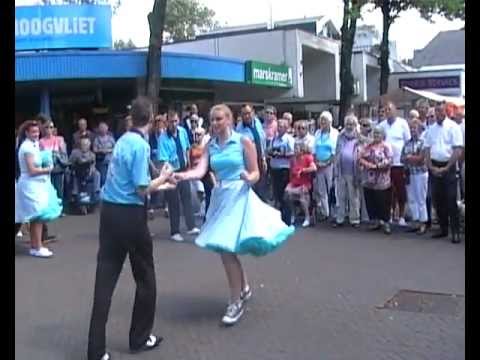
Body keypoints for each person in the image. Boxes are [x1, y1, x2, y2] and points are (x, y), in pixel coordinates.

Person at [172, 104, 295, 326]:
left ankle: (235, 301)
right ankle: (244, 288)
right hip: (221, 196)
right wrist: (183, 176)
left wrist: (249, 178)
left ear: (229, 120)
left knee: (227, 249)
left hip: (239, 195)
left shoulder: (243, 141)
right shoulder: (210, 144)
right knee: (225, 247)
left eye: (219, 118)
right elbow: (201, 170)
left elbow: (256, 171)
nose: (216, 123)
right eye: (212, 119)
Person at [87, 97, 172, 360]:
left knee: (105, 280)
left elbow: (129, 178)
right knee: (145, 277)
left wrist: (158, 182)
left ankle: (96, 351)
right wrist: (164, 178)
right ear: (151, 116)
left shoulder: (122, 140)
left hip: (109, 213)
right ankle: (139, 338)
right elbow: (141, 188)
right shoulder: (141, 145)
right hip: (130, 215)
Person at [15, 120, 62, 258]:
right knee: (37, 216)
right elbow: (32, 170)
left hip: (35, 184)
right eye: (33, 132)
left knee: (38, 217)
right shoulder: (27, 147)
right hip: (30, 184)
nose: (36, 134)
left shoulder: (34, 145)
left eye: (37, 131)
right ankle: (36, 247)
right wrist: (48, 169)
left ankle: (37, 245)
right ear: (27, 133)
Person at [424, 102, 464, 244]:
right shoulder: (431, 129)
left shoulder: (453, 127)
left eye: (440, 111)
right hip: (435, 166)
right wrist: (430, 166)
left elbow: (457, 150)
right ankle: (443, 229)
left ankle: (455, 232)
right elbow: (427, 149)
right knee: (438, 199)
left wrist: (447, 167)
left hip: (449, 167)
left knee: (451, 199)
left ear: (446, 112)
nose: (438, 114)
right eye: (436, 112)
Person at [157, 110, 200, 242]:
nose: (174, 124)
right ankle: (174, 231)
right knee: (173, 201)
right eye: (171, 122)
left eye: (176, 121)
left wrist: (188, 164)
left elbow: (187, 148)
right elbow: (163, 160)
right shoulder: (163, 138)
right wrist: (168, 175)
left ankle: (190, 226)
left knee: (186, 197)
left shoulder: (182, 131)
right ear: (167, 122)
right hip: (171, 172)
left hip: (183, 169)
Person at [378, 101, 411, 226]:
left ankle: (401, 216)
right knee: (387, 191)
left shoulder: (402, 124)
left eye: (389, 109)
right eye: (385, 110)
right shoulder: (381, 125)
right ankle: (389, 216)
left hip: (399, 163)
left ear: (395, 110)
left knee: (400, 190)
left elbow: (407, 142)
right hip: (386, 164)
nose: (387, 112)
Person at [358, 126, 393, 234]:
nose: (376, 135)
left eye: (378, 133)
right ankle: (375, 221)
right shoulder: (368, 146)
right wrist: (369, 165)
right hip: (369, 178)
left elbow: (390, 159)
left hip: (382, 179)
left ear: (383, 135)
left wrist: (378, 166)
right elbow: (360, 157)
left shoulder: (386, 146)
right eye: (375, 133)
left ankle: (386, 223)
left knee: (382, 201)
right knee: (371, 200)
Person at [401, 119, 429, 235]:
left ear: (420, 129)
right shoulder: (407, 143)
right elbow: (401, 158)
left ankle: (423, 223)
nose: (413, 131)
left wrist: (409, 158)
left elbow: (421, 159)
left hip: (420, 173)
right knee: (411, 198)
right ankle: (415, 221)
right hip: (409, 173)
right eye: (411, 128)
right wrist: (411, 158)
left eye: (415, 128)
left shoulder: (423, 142)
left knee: (420, 199)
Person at [333, 114, 361, 228]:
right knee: (341, 196)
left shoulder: (358, 137)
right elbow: (337, 152)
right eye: (347, 124)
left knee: (353, 197)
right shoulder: (341, 136)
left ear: (355, 125)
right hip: (341, 171)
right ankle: (340, 218)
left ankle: (354, 219)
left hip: (353, 171)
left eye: (351, 124)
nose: (349, 126)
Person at [236, 103, 268, 201]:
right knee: (252, 194)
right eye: (244, 114)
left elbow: (262, 141)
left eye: (249, 113)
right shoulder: (239, 129)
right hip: (249, 165)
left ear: (253, 113)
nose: (247, 116)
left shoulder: (257, 123)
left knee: (262, 192)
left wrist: (264, 158)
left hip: (261, 161)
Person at [313, 111, 339, 222]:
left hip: (330, 165)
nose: (322, 122)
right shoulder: (317, 133)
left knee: (332, 189)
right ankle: (325, 212)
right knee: (321, 190)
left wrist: (327, 163)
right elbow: (314, 150)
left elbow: (335, 152)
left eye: (325, 120)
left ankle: (335, 213)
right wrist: (317, 162)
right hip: (319, 165)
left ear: (330, 121)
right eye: (321, 119)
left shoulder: (335, 133)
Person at [269, 118, 295, 224]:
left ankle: (287, 218)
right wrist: (272, 152)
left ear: (286, 128)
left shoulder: (289, 139)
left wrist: (283, 154)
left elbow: (293, 153)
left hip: (284, 169)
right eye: (278, 126)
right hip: (274, 168)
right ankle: (279, 217)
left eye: (281, 126)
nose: (279, 128)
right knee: (277, 194)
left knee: (285, 194)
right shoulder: (273, 139)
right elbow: (269, 150)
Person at [285, 142, 317, 227]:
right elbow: (291, 173)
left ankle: (307, 217)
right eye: (294, 149)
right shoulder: (293, 160)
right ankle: (293, 214)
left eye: (297, 149)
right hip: (295, 182)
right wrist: (290, 183)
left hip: (305, 183)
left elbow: (314, 168)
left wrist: (303, 170)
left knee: (302, 196)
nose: (295, 151)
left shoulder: (307, 157)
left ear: (301, 150)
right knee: (287, 193)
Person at [39, 119, 69, 202]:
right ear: (44, 129)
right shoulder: (41, 141)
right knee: (48, 189)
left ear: (53, 129)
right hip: (46, 169)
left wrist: (56, 154)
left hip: (58, 168)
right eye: (47, 127)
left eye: (51, 127)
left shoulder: (59, 139)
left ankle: (60, 208)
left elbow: (64, 154)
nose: (49, 129)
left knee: (59, 189)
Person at [357, 118, 373, 223]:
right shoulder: (356, 139)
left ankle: (366, 217)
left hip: (368, 169)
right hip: (356, 168)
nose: (365, 127)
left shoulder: (372, 140)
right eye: (363, 125)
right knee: (356, 194)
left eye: (367, 125)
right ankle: (356, 216)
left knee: (366, 194)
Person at [93, 122, 116, 187]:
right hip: (101, 161)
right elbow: (94, 150)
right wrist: (101, 151)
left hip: (110, 161)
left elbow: (116, 148)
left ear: (107, 129)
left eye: (104, 128)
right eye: (101, 128)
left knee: (111, 176)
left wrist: (109, 150)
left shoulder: (111, 138)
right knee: (103, 178)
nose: (103, 129)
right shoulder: (96, 139)